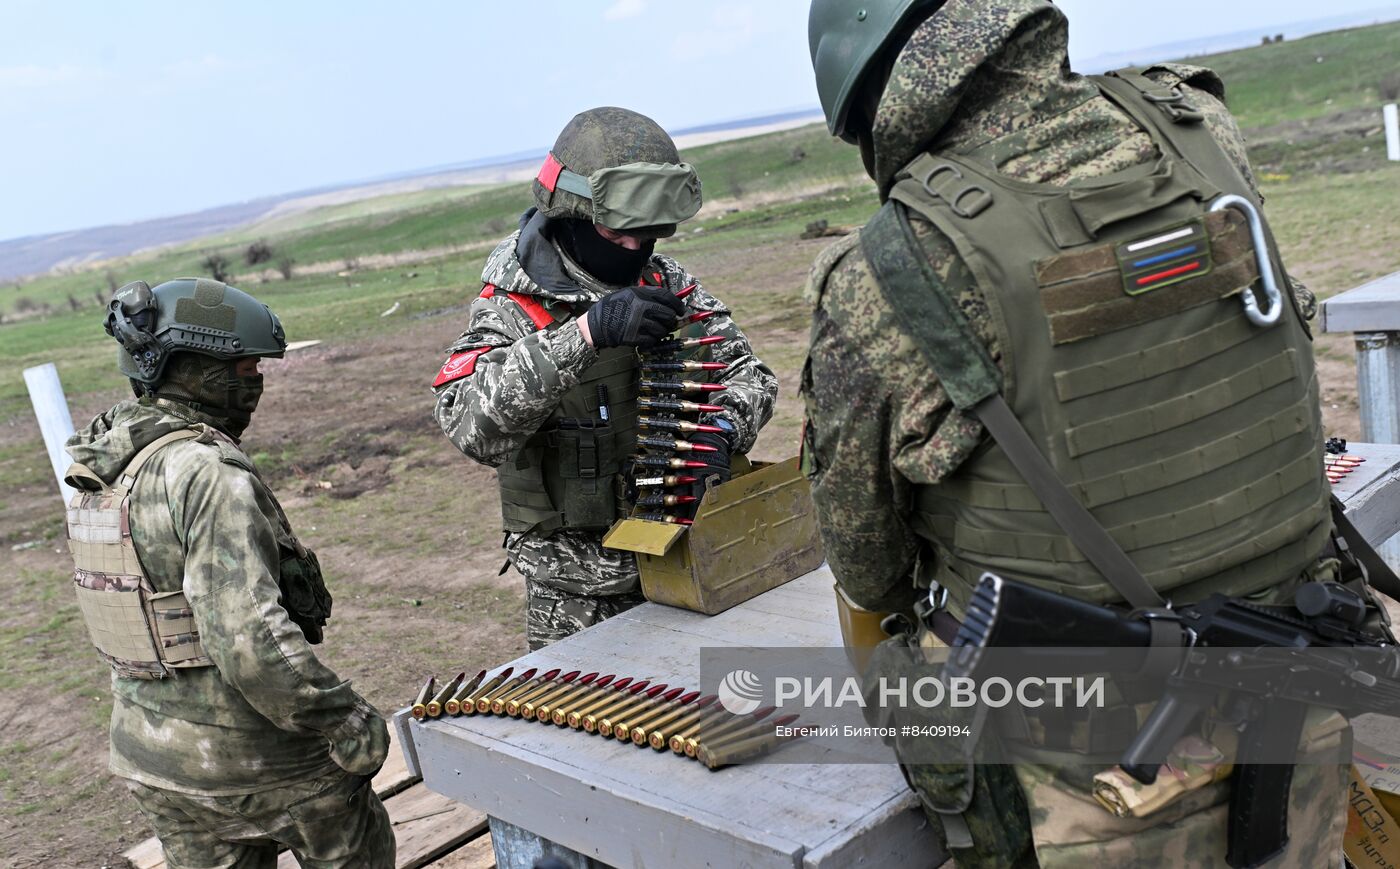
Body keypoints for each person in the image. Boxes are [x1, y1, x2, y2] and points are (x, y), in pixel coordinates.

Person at [802, 1, 1358, 866]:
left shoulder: (892, 264)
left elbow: (865, 565)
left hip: (1075, 772)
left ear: (870, 89)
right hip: (1301, 699)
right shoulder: (1201, 130)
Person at [65, 278, 394, 868]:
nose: (255, 383)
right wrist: (344, 719)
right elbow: (249, 641)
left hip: (154, 758)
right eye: (243, 368)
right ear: (189, 368)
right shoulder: (206, 474)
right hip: (254, 763)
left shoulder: (107, 462)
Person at [433, 106, 778, 650]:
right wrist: (586, 335)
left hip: (692, 554)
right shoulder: (514, 309)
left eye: (649, 236)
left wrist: (720, 432)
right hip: (581, 596)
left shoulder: (666, 281)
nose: (635, 251)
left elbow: (750, 374)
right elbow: (469, 424)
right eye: (618, 235)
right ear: (569, 213)